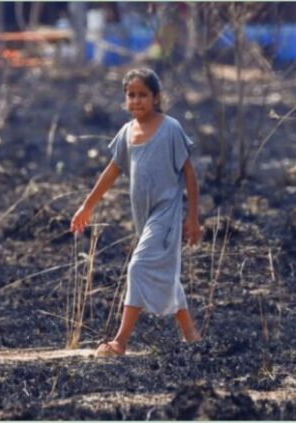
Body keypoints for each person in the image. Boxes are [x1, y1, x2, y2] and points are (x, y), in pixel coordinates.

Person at [70, 68, 202, 357]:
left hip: (166, 214)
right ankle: (190, 333)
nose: (137, 101)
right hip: (143, 217)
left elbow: (189, 174)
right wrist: (87, 206)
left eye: (143, 95)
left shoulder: (170, 129)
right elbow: (112, 170)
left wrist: (192, 218)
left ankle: (120, 341)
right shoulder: (126, 133)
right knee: (166, 272)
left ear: (155, 97)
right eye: (131, 95)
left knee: (138, 266)